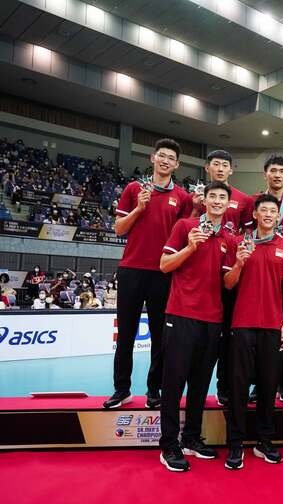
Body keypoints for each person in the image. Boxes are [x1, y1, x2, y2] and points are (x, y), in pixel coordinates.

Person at [104, 139, 193, 410]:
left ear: (177, 165)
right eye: (161, 156)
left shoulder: (183, 197)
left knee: (160, 336)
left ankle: (154, 390)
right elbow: (119, 229)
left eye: (171, 158)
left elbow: (186, 232)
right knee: (127, 334)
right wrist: (139, 209)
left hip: (164, 273)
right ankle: (122, 389)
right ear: (153, 158)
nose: (165, 161)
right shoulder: (134, 189)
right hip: (131, 269)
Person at [157, 181, 234, 472]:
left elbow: (227, 283)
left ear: (228, 204)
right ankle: (169, 445)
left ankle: (191, 437)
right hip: (181, 314)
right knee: (173, 383)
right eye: (212, 196)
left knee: (200, 385)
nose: (216, 201)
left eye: (222, 197)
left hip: (212, 319)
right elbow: (164, 265)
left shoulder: (229, 237)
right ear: (204, 201)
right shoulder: (184, 226)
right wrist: (190, 247)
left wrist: (239, 264)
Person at [223, 194, 283, 470]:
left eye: (272, 211)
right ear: (254, 214)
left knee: (268, 387)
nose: (268, 214)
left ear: (278, 217)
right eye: (263, 210)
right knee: (239, 388)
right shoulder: (240, 244)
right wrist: (240, 262)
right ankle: (235, 444)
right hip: (242, 325)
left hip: (272, 327)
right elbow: (228, 284)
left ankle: (264, 442)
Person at [195, 150, 253, 408]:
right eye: (216, 164)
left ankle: (224, 386)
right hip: (199, 274)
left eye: (225, 165)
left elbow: (248, 232)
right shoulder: (196, 197)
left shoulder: (242, 199)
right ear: (208, 168)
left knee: (229, 336)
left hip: (230, 270)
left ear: (232, 169)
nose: (220, 168)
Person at [247, 155, 283, 403]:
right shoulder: (256, 202)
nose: (277, 175)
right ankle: (259, 382)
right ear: (265, 174)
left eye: (282, 171)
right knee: (259, 330)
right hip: (261, 269)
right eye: (273, 170)